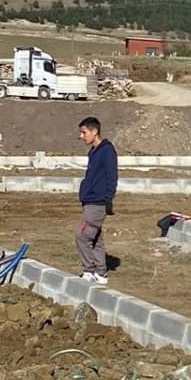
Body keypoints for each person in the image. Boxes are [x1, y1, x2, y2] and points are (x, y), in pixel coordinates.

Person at [75, 116, 118, 285]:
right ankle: (100, 273)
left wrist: (106, 199)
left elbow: (112, 176)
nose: (81, 136)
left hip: (97, 202)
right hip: (90, 200)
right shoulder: (93, 151)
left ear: (94, 132)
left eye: (84, 132)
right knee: (96, 237)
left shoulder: (107, 150)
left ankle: (89, 270)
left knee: (82, 235)